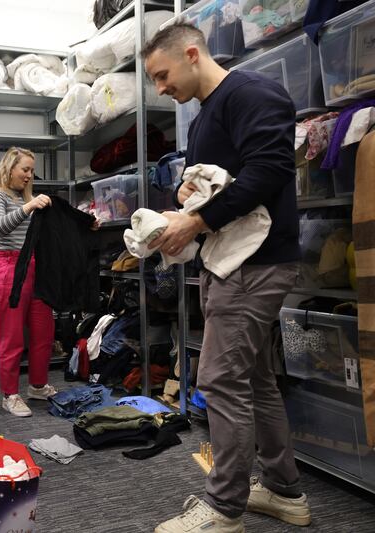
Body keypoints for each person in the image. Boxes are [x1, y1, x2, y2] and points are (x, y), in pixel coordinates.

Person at [141, 23, 310, 532]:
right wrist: (181, 204)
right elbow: (215, 181)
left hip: (254, 264)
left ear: (192, 54)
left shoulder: (253, 94)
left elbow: (270, 170)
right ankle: (284, 491)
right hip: (229, 260)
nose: (160, 89)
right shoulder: (205, 114)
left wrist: (197, 220)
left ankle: (224, 509)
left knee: (219, 380)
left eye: (162, 75)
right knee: (254, 381)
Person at [0, 147, 58, 417]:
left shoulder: (27, 198)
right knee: (11, 335)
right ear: (9, 169)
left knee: (43, 331)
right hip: (7, 268)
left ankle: (37, 385)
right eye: (24, 169)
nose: (29, 175)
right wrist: (29, 206)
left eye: (31, 170)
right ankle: (10, 394)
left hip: (33, 268)